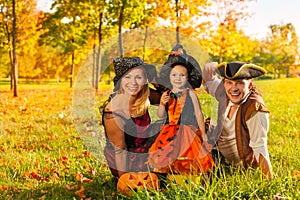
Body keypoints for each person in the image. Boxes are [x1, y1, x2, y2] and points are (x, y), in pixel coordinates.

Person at [147, 44, 214, 176]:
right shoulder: (167, 93)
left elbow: (199, 113)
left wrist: (203, 133)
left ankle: (186, 177)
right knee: (167, 153)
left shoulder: (191, 94)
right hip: (168, 130)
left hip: (187, 130)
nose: (178, 78)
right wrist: (161, 103)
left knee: (188, 154)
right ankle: (169, 176)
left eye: (182, 75)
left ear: (187, 77)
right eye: (174, 75)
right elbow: (160, 114)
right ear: (169, 76)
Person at [203, 61, 273, 178]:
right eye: (229, 82)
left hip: (236, 164)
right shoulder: (225, 93)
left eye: (240, 83)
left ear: (250, 85)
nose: (233, 88)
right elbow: (207, 81)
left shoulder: (254, 109)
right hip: (214, 152)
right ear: (224, 84)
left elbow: (260, 147)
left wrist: (269, 181)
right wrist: (209, 66)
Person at [101, 57, 158, 178]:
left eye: (138, 77)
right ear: (120, 81)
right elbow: (120, 151)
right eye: (127, 77)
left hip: (146, 148)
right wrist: (126, 181)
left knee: (174, 129)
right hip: (127, 161)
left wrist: (154, 79)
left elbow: (172, 97)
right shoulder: (113, 112)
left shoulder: (143, 94)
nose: (133, 82)